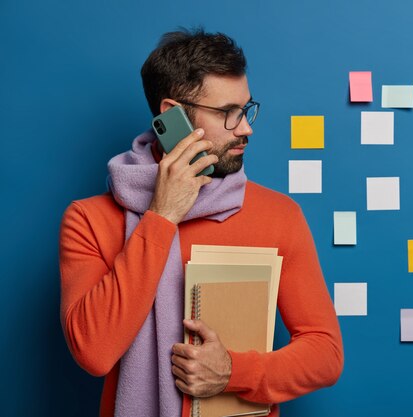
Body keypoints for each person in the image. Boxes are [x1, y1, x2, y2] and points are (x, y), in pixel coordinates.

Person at [59, 29, 343, 417]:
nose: (245, 128)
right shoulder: (89, 220)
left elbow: (325, 353)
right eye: (227, 113)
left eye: (246, 109)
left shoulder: (279, 215)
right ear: (171, 114)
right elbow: (93, 352)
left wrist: (233, 372)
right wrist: (162, 216)